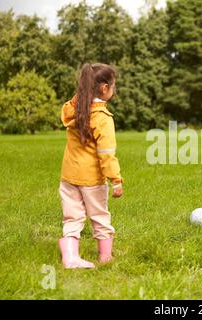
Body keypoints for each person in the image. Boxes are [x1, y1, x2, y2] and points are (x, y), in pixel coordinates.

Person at [58, 63, 123, 268]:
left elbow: (71, 104)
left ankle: (70, 256)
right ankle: (105, 257)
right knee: (100, 216)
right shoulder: (102, 118)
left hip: (68, 176)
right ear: (104, 88)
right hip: (91, 179)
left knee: (72, 217)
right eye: (113, 86)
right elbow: (106, 153)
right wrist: (116, 179)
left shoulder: (73, 110)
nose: (114, 90)